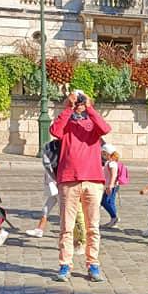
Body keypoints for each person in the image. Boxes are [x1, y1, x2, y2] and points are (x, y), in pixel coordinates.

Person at [50, 89, 112, 282]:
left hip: (93, 179)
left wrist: (90, 108)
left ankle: (93, 264)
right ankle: (65, 265)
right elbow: (55, 131)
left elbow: (105, 128)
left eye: (81, 100)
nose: (79, 104)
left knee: (93, 226)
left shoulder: (92, 123)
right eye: (78, 100)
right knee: (66, 227)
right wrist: (68, 107)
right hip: (69, 179)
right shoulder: (67, 122)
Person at [100, 142, 121, 228]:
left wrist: (110, 186)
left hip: (111, 185)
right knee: (110, 202)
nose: (102, 155)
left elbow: (113, 175)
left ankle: (114, 217)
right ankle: (113, 219)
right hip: (111, 185)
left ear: (107, 153)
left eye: (103, 153)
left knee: (104, 201)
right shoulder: (109, 162)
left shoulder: (112, 163)